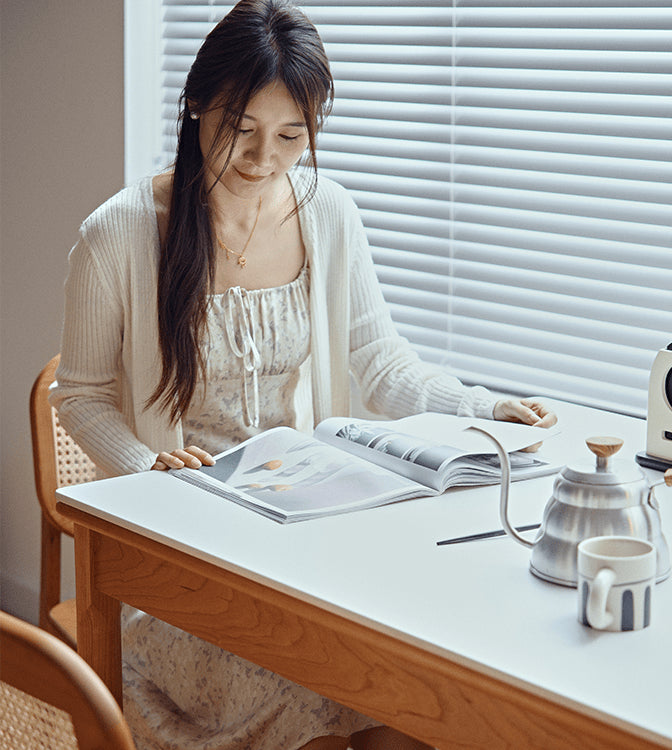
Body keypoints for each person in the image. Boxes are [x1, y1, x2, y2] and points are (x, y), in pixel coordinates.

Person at [50, 0, 557, 747]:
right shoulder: (118, 235)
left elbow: (380, 361)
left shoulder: (329, 213)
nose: (263, 158)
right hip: (177, 559)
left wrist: (482, 406)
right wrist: (149, 466)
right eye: (240, 129)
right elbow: (82, 396)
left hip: (304, 547)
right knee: (309, 719)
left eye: (291, 136)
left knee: (414, 702)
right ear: (195, 107)